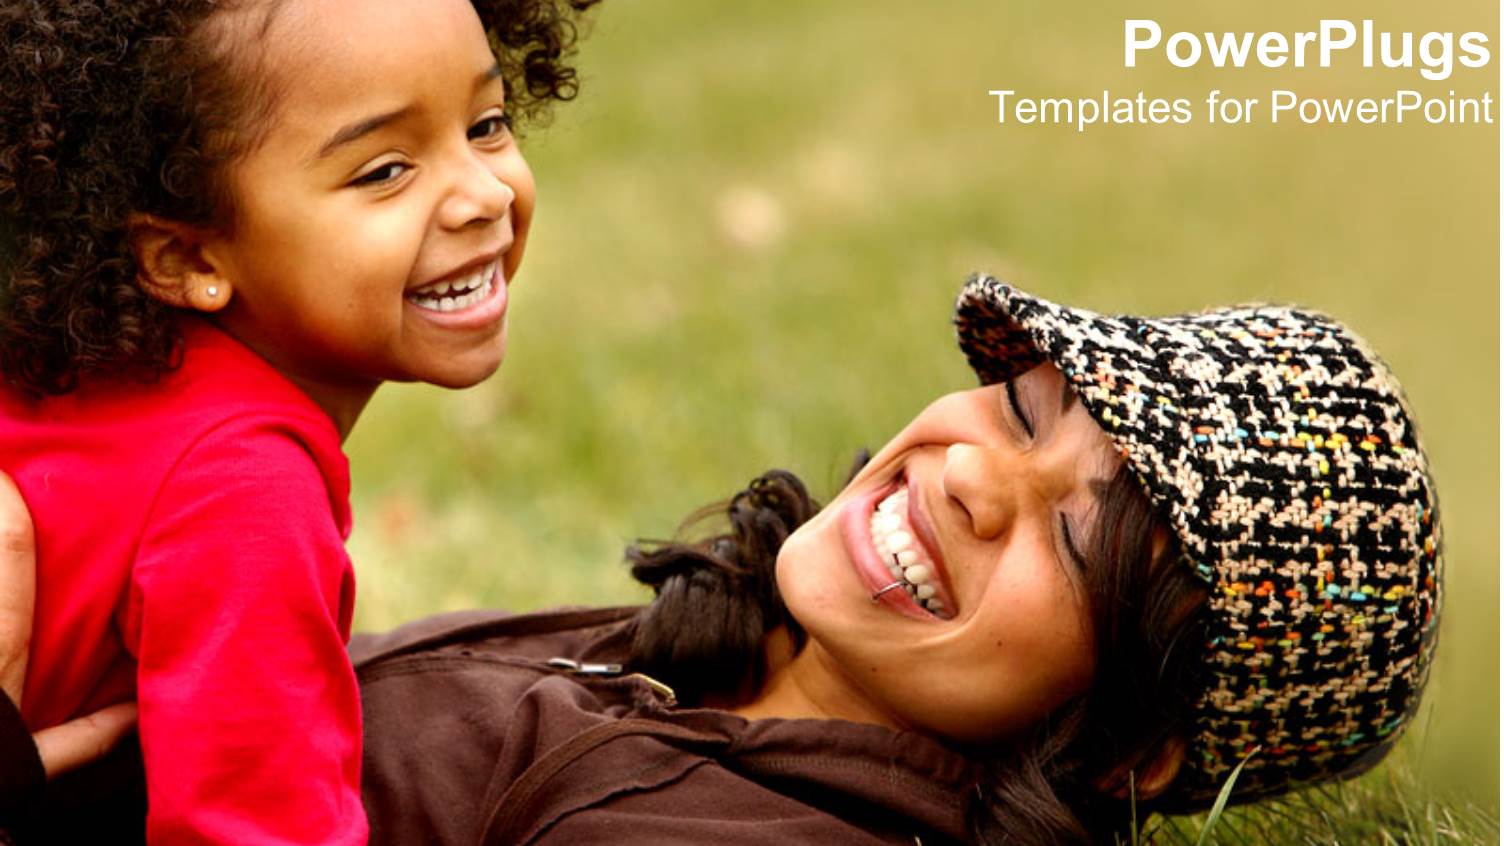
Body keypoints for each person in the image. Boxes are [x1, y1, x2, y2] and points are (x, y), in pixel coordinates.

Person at [0, 278, 1441, 844]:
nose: (971, 475)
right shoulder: (731, 669)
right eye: (1020, 410)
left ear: (1130, 749)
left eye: (1075, 535)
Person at [0, 0, 598, 841]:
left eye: (487, 123)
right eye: (384, 170)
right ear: (187, 258)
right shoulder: (240, 489)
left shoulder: (74, 377)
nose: (484, 193)